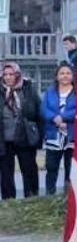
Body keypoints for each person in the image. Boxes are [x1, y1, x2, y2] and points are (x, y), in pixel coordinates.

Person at [1, 62, 42, 199]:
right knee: (6, 173)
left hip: (25, 137)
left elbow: (37, 112)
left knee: (29, 170)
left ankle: (31, 199)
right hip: (4, 139)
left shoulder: (28, 89)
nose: (8, 77)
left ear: (17, 74)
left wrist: (39, 136)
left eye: (11, 74)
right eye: (5, 74)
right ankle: (9, 201)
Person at [41, 64, 77, 195]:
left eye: (68, 73)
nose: (65, 76)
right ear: (57, 76)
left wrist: (62, 117)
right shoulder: (50, 92)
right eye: (62, 73)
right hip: (53, 134)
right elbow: (43, 109)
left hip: (71, 135)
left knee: (70, 168)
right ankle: (50, 195)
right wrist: (54, 118)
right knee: (51, 167)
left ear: (73, 76)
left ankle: (69, 197)